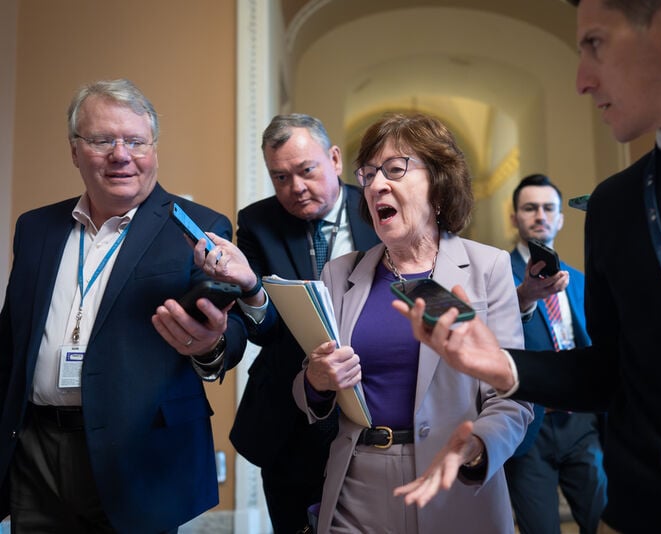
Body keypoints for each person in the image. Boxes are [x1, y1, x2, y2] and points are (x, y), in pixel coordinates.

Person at [393, 1, 661, 532]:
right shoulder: (616, 203)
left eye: (595, 44)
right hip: (633, 516)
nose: (582, 80)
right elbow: (610, 372)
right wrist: (504, 366)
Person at [0, 78, 248, 533]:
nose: (121, 154)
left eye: (135, 141)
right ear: (75, 151)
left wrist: (208, 344)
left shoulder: (198, 226)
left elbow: (229, 337)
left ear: (153, 149)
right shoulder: (35, 228)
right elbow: (10, 341)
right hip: (35, 453)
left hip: (138, 456)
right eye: (101, 140)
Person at [290, 112, 534, 533]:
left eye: (395, 170)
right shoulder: (339, 274)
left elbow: (512, 397)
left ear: (439, 186)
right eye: (368, 175)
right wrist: (315, 380)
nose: (376, 185)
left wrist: (476, 447)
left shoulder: (487, 268)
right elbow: (307, 389)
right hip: (357, 489)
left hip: (455, 485)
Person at [224, 114, 380, 534]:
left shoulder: (379, 209)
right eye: (280, 177)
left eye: (305, 170)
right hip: (288, 420)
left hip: (373, 412)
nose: (295, 188)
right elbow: (263, 328)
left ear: (333, 159)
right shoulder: (258, 222)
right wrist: (252, 288)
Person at [503, 174, 606, 534]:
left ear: (561, 218)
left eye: (549, 208)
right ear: (514, 216)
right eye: (529, 208)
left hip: (582, 423)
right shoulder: (497, 274)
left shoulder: (579, 278)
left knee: (603, 520)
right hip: (530, 421)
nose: (540, 215)